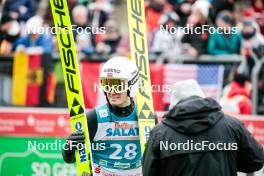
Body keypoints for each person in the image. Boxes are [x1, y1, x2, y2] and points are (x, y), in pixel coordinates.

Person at [143, 79, 264, 176]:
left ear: (174, 104)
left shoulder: (160, 133)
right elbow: (256, 161)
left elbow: (149, 172)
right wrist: (226, 162)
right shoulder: (232, 126)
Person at [62, 57, 142, 176]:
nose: (112, 92)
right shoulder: (94, 118)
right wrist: (69, 147)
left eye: (118, 86)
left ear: (132, 85)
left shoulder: (145, 118)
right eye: (107, 85)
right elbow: (69, 159)